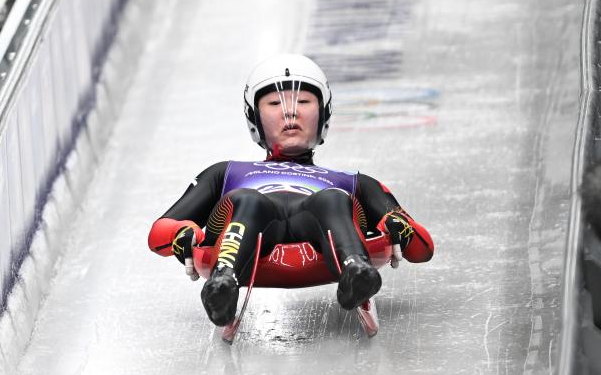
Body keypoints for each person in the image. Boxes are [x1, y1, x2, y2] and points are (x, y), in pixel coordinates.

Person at [148, 54, 434, 326]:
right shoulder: (226, 172)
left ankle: (356, 272)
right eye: (274, 103)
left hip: (321, 233)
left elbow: (422, 249)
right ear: (255, 118)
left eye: (305, 101)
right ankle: (223, 283)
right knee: (249, 201)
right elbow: (161, 229)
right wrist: (182, 234)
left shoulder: (351, 181)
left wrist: (400, 226)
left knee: (332, 199)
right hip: (250, 231)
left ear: (323, 114)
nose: (290, 112)